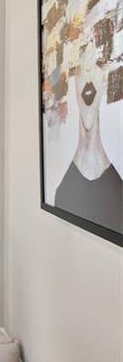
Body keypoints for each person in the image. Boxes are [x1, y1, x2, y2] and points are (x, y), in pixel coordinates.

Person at [54, 35, 122, 232]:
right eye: (82, 62)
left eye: (97, 62)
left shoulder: (119, 193)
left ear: (104, 84)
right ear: (75, 84)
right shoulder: (62, 194)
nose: (89, 70)